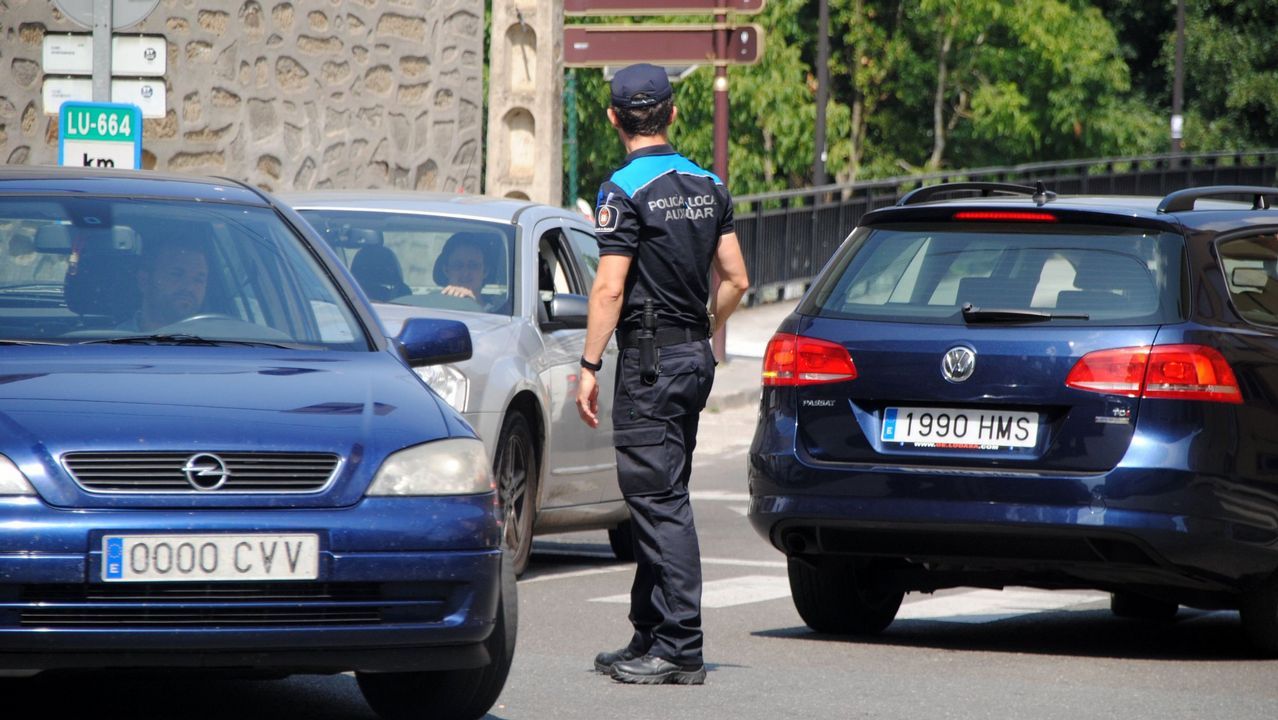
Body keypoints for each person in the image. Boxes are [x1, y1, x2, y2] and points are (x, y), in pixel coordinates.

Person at [575, 62, 750, 686]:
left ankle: (679, 647)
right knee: (661, 492)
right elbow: (737, 279)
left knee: (658, 500)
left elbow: (608, 288)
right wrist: (705, 325)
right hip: (693, 358)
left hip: (648, 365)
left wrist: (590, 364)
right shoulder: (709, 182)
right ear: (673, 114)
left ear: (613, 119)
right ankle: (648, 632)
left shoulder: (622, 190)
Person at [129, 240, 209, 331]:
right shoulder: (113, 340)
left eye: (198, 280)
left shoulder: (220, 339)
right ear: (144, 281)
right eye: (177, 274)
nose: (189, 287)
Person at [433, 232, 499, 310]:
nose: (465, 273)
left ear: (485, 271)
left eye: (473, 266)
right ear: (446, 270)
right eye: (458, 265)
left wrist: (474, 306)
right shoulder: (431, 309)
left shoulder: (498, 316)